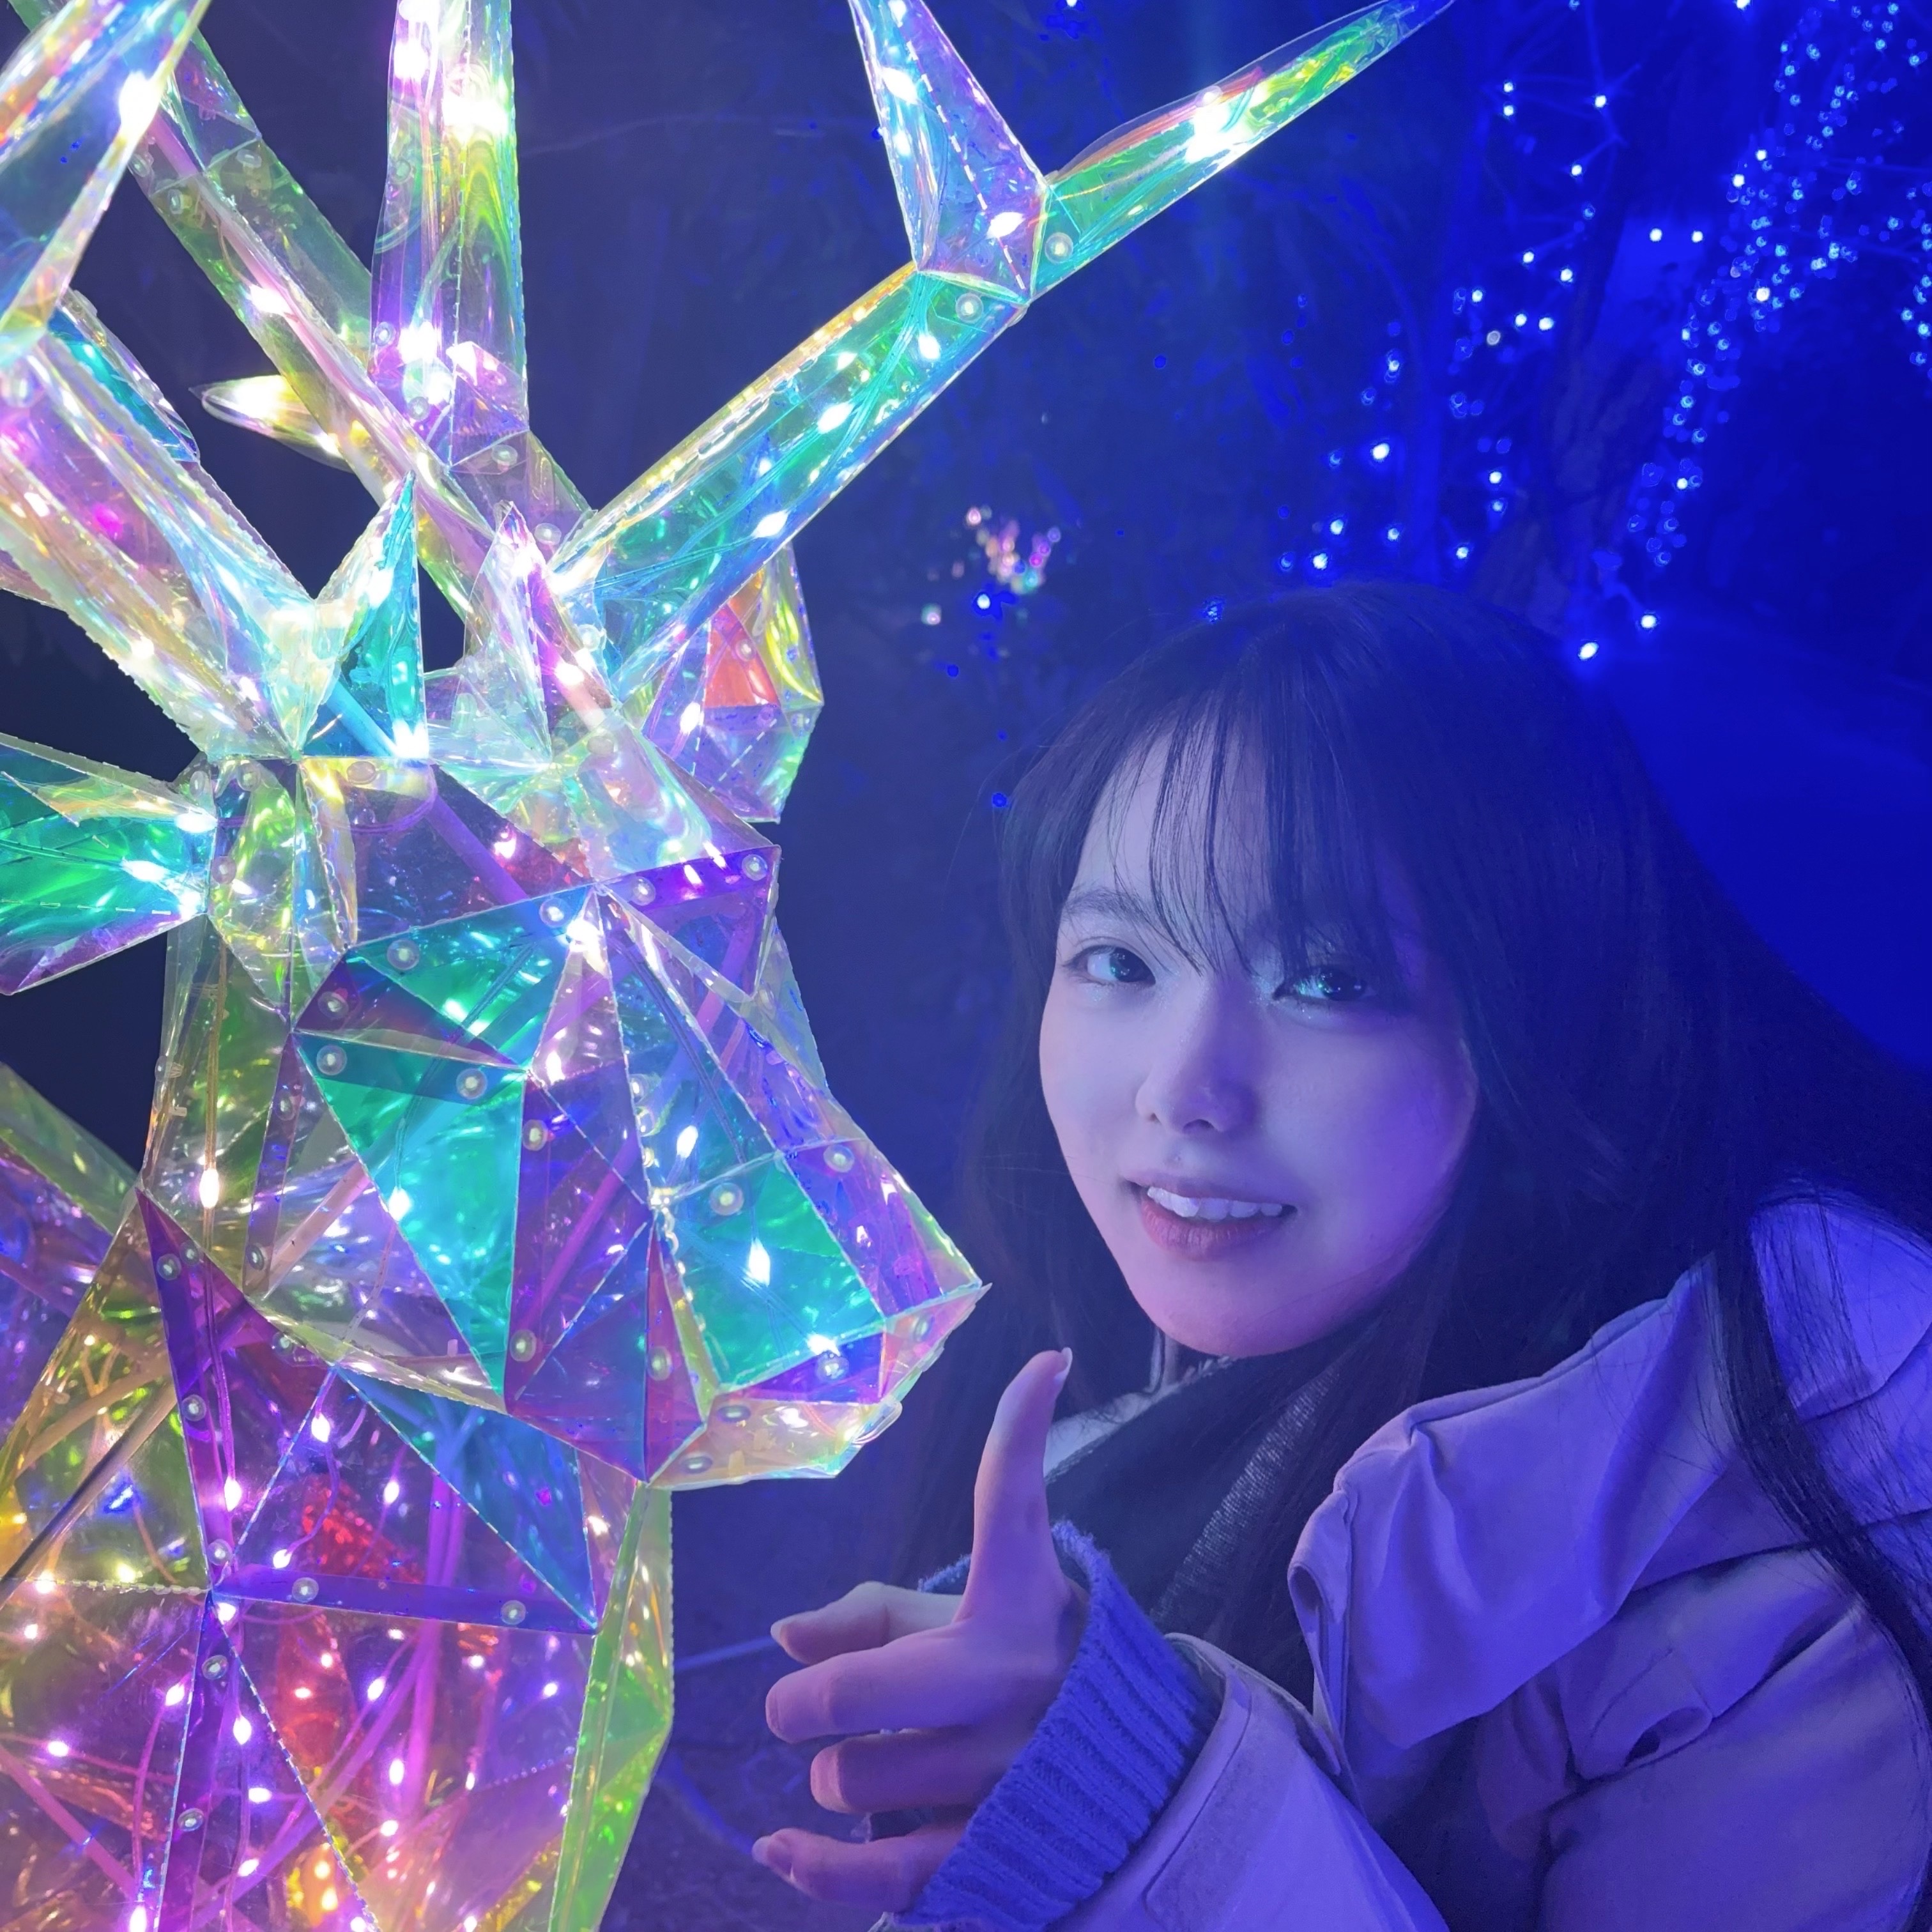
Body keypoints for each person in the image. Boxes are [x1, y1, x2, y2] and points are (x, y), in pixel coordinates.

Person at [751, 585, 1932, 1930]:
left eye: (1327, 982)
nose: (1183, 1092)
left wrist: (1138, 1796)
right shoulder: (1102, 1337)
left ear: (1545, 1028)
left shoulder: (1792, 1587)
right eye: (1121, 961)